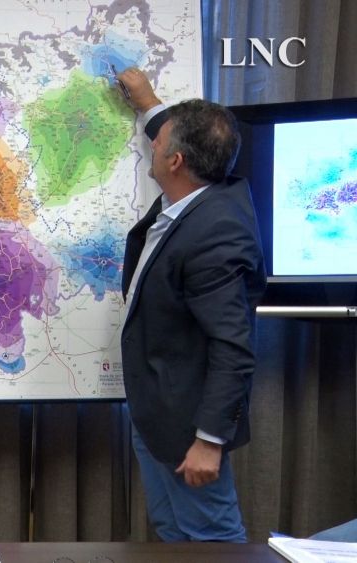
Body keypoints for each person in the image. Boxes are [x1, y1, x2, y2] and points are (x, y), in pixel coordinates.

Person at [115, 68, 267, 542]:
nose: (153, 146)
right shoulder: (201, 193)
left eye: (158, 143)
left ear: (176, 161)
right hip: (158, 411)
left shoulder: (216, 235)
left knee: (212, 539)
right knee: (173, 533)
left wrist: (209, 441)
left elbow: (232, 347)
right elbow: (171, 132)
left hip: (189, 426)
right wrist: (147, 103)